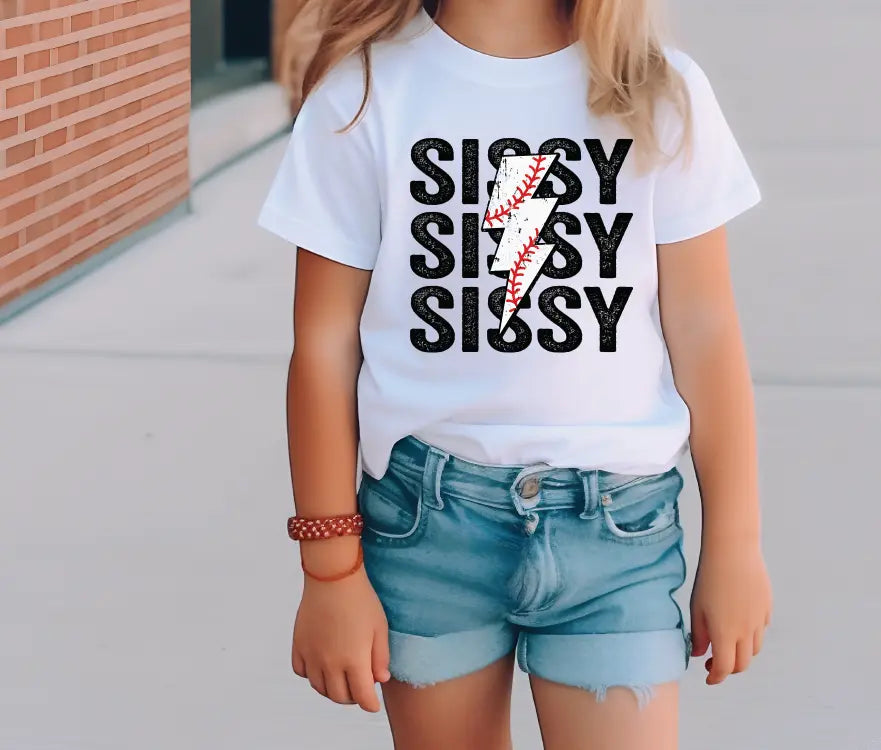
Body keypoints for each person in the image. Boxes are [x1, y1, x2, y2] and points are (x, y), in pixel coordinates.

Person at [258, 1, 772, 747]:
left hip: (616, 535)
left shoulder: (658, 91)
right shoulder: (363, 92)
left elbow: (707, 330)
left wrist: (736, 543)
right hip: (428, 529)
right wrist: (329, 572)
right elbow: (324, 345)